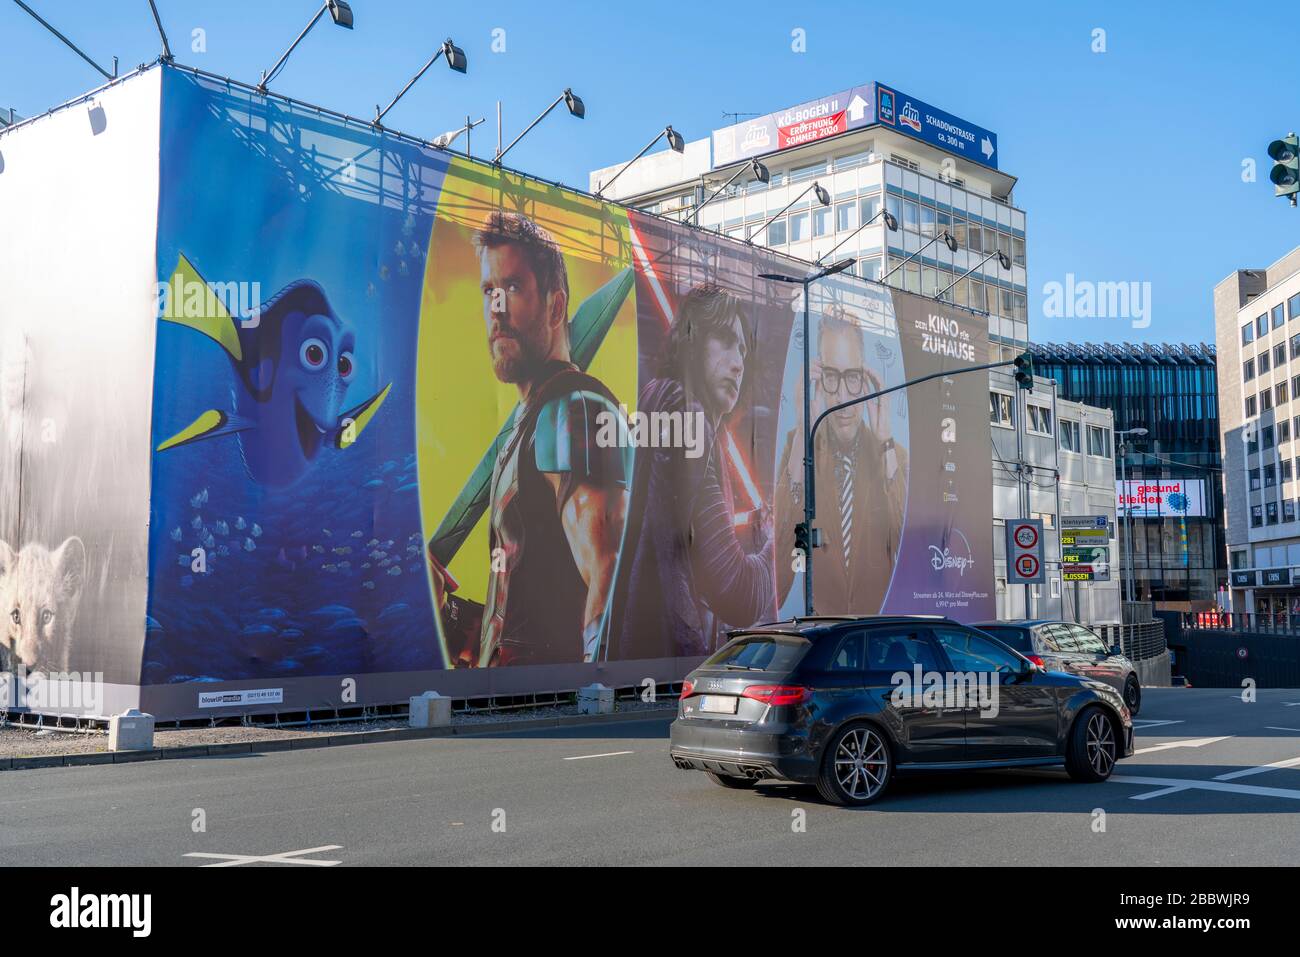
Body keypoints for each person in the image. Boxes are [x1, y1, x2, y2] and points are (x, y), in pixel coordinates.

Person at [428, 211, 628, 667]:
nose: (497, 308)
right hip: (519, 698)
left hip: (553, 703)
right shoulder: (528, 424)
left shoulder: (571, 410)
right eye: (488, 291)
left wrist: (590, 697)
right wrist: (444, 607)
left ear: (557, 307)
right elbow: (516, 632)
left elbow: (607, 572)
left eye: (512, 288)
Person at [611, 283, 775, 660]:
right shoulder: (687, 412)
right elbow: (736, 592)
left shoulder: (658, 398)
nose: (738, 363)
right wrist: (775, 542)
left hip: (636, 655)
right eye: (725, 340)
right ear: (692, 339)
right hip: (667, 654)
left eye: (744, 352)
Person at [775, 309, 907, 614]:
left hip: (875, 629)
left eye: (853, 378)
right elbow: (781, 550)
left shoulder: (893, 456)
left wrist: (885, 439)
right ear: (819, 379)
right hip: (822, 626)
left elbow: (905, 545)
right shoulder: (799, 449)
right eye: (832, 377)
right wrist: (802, 428)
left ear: (866, 380)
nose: (842, 396)